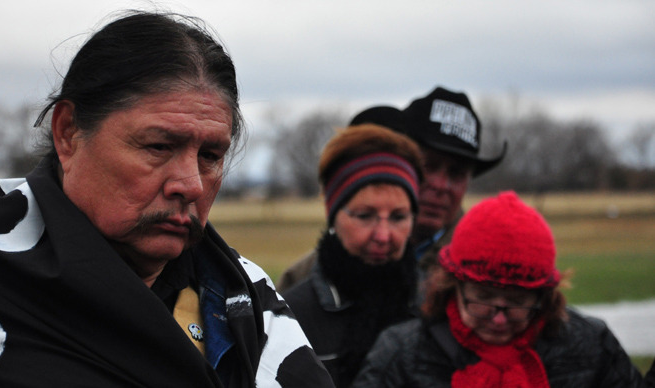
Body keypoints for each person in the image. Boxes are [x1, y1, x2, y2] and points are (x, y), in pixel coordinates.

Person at [0, 11, 334, 388]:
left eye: (210, 156)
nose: (191, 185)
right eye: (158, 146)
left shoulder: (246, 300)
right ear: (68, 133)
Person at [351, 191, 643, 388]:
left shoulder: (591, 347)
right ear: (453, 286)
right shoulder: (400, 355)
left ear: (544, 298)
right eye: (483, 299)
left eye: (517, 303)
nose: (499, 319)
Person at [276, 86, 506, 292]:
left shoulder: (485, 270)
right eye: (428, 166)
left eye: (456, 173)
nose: (440, 185)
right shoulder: (306, 277)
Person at [281, 124, 424, 388]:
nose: (383, 235)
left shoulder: (436, 307)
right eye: (365, 216)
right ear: (333, 214)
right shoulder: (290, 317)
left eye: (398, 217)